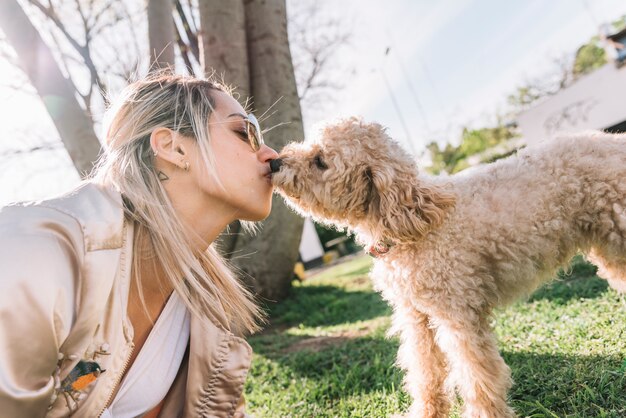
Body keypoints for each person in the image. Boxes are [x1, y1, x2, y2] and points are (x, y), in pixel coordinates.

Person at [0, 72, 280, 417]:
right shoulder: (39, 252)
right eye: (245, 132)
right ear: (172, 146)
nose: (270, 153)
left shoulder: (205, 315)